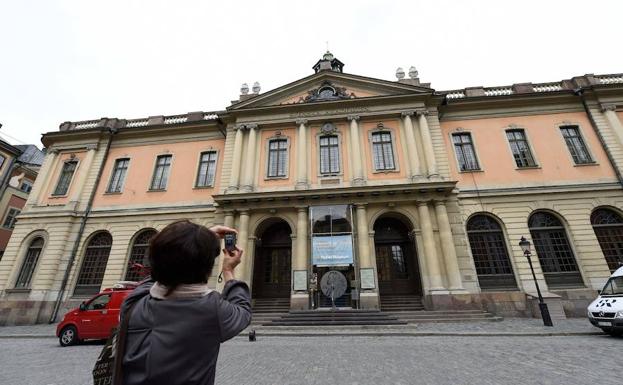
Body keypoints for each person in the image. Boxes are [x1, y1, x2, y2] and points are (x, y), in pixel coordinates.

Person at [119, 220, 252, 385]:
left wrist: (193, 241)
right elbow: (243, 309)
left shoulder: (133, 302)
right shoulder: (213, 311)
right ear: (208, 268)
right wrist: (228, 271)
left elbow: (156, 275)